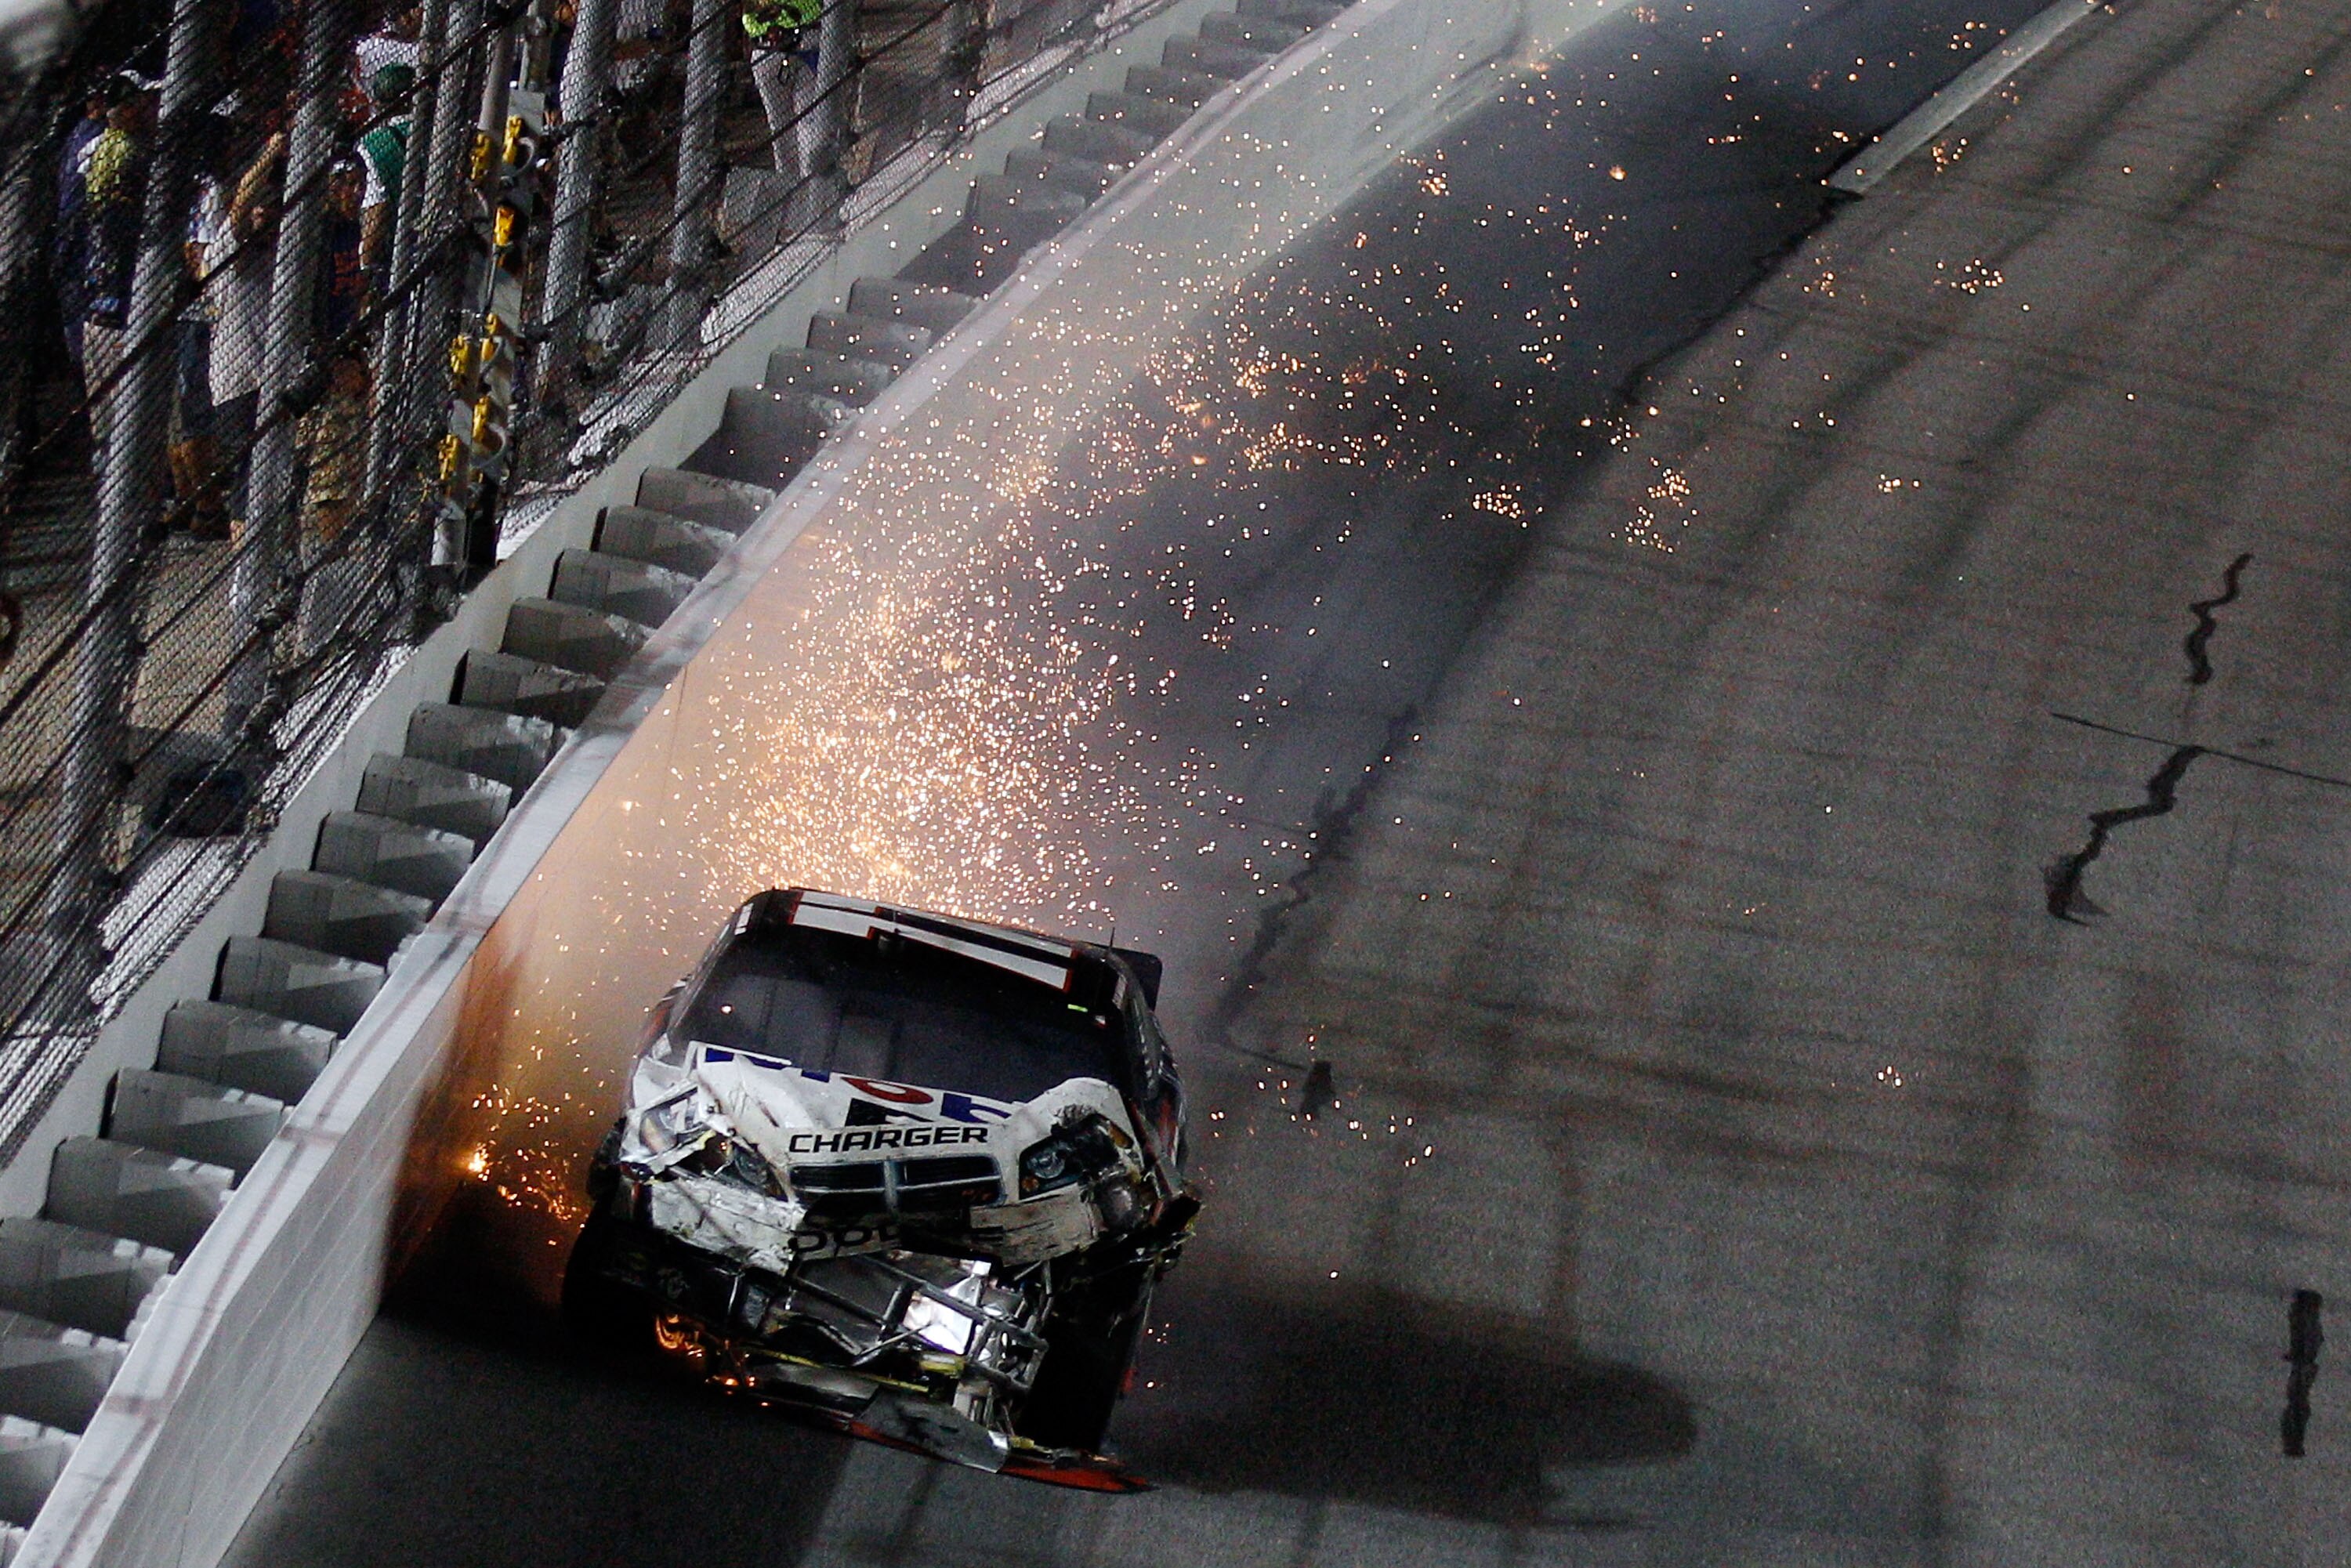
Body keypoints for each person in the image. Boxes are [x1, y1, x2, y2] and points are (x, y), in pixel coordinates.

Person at [79, 71, 159, 470]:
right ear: (123, 109)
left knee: (106, 422)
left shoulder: (98, 148)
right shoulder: (129, 152)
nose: (146, 109)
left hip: (96, 294)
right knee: (129, 416)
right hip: (119, 301)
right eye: (139, 104)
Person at [742, 0, 827, 179]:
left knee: (792, 123)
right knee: (797, 122)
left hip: (798, 43)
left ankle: (803, 182)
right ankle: (802, 183)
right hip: (779, 45)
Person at [357, 63, 413, 288]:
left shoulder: (373, 143)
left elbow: (376, 213)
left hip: (399, 251)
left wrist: (365, 267)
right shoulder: (440, 127)